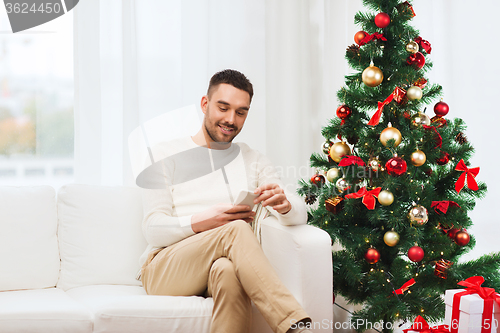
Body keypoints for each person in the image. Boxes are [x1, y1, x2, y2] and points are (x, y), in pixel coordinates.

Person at [136, 69, 313, 333]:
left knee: (228, 271)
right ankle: (294, 324)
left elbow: (301, 214)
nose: (231, 119)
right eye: (223, 108)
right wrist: (202, 222)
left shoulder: (253, 159)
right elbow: (152, 227)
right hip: (164, 269)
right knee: (235, 229)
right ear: (205, 104)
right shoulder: (163, 155)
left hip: (218, 266)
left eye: (241, 112)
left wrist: (285, 205)